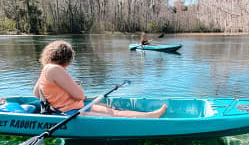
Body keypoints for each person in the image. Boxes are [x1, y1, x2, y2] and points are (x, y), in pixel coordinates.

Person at [33, 40, 167, 118]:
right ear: (66, 58)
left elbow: (36, 93)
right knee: (114, 113)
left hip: (67, 107)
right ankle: (150, 116)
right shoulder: (56, 69)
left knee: (108, 106)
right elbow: (80, 95)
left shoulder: (46, 68)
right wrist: (76, 86)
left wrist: (57, 98)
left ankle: (142, 115)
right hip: (71, 112)